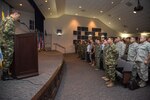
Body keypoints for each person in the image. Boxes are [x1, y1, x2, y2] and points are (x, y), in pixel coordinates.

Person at [0, 10, 21, 80]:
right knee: (8, 58)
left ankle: (5, 73)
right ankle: (5, 75)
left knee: (5, 58)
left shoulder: (5, 19)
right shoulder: (10, 21)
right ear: (15, 14)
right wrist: (14, 34)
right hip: (7, 43)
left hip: (3, 42)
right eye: (18, 16)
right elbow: (6, 31)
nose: (18, 18)